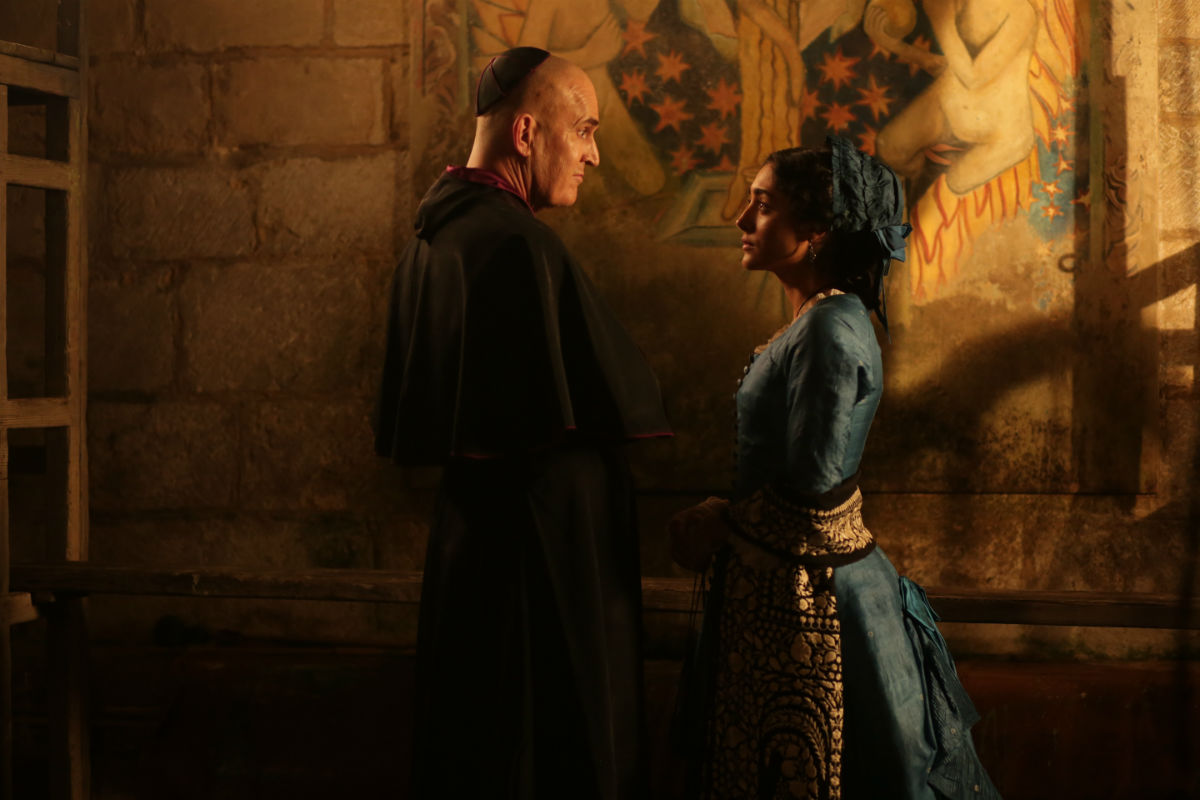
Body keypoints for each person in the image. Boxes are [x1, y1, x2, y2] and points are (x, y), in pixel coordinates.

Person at [374, 47, 670, 799]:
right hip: (540, 574)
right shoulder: (515, 244)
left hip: (476, 560)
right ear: (527, 132)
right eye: (585, 131)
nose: (594, 156)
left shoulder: (434, 237)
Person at [669, 137, 1002, 799]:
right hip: (797, 584)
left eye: (763, 206)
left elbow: (814, 492)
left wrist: (719, 521)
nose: (741, 219)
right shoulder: (823, 320)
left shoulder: (828, 328)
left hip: (814, 601)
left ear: (817, 231)